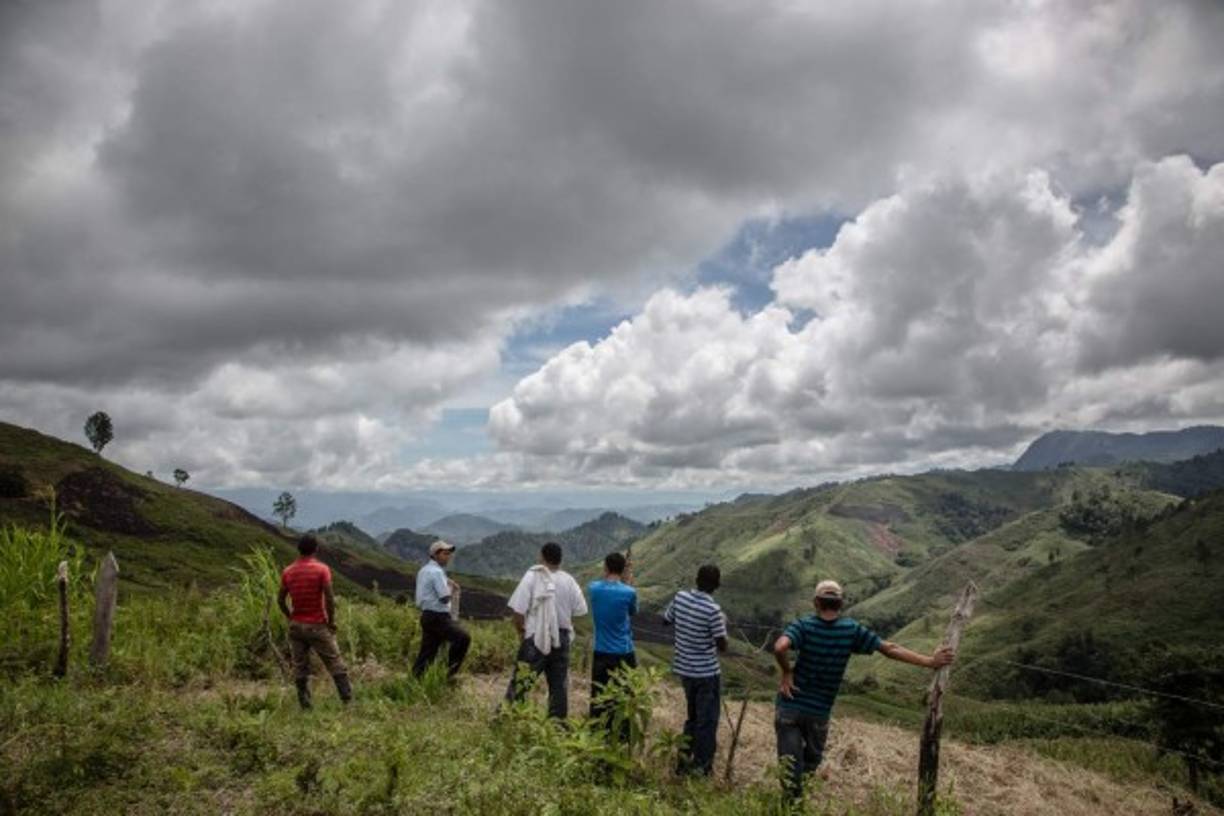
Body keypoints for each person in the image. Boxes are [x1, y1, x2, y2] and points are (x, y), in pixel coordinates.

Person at [772, 579, 955, 799]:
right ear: (840, 604)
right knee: (809, 765)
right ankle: (794, 805)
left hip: (790, 705)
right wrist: (929, 661)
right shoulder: (850, 630)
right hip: (818, 712)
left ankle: (789, 804)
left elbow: (780, 646)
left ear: (816, 603)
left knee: (789, 765)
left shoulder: (803, 625)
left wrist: (787, 671)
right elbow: (889, 648)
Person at [503, 541, 589, 718]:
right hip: (562, 637)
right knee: (559, 686)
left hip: (536, 635)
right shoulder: (569, 580)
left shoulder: (533, 575)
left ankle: (505, 718)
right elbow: (580, 609)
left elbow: (518, 611)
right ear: (560, 560)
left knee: (521, 682)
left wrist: (521, 632)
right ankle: (557, 726)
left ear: (542, 557)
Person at [663, 564, 728, 776]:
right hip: (706, 674)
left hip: (685, 670)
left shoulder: (680, 597)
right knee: (707, 721)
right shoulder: (713, 611)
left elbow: (666, 620)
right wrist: (722, 625)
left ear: (696, 579)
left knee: (692, 718)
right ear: (716, 585)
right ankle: (701, 767)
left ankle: (682, 762)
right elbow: (722, 645)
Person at [278, 534, 351, 709]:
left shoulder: (288, 571)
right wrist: (331, 621)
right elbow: (329, 598)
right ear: (316, 549)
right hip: (317, 625)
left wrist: (290, 617)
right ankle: (347, 702)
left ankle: (305, 705)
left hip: (296, 626)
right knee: (335, 663)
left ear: (299, 549)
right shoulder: (321, 569)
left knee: (300, 666)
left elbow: (280, 600)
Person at [587, 551, 638, 736]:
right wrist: (627, 582)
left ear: (606, 567)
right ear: (623, 569)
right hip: (624, 652)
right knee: (624, 695)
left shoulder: (593, 588)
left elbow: (601, 586)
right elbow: (632, 612)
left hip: (601, 650)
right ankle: (622, 735)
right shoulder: (630, 592)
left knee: (599, 695)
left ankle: (597, 732)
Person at [412, 540, 471, 680]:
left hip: (427, 615)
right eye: (445, 553)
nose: (448, 557)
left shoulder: (424, 570)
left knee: (428, 652)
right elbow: (444, 598)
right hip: (439, 616)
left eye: (449, 554)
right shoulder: (437, 572)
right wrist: (451, 590)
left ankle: (415, 680)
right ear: (435, 555)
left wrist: (447, 581)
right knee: (463, 638)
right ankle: (450, 674)